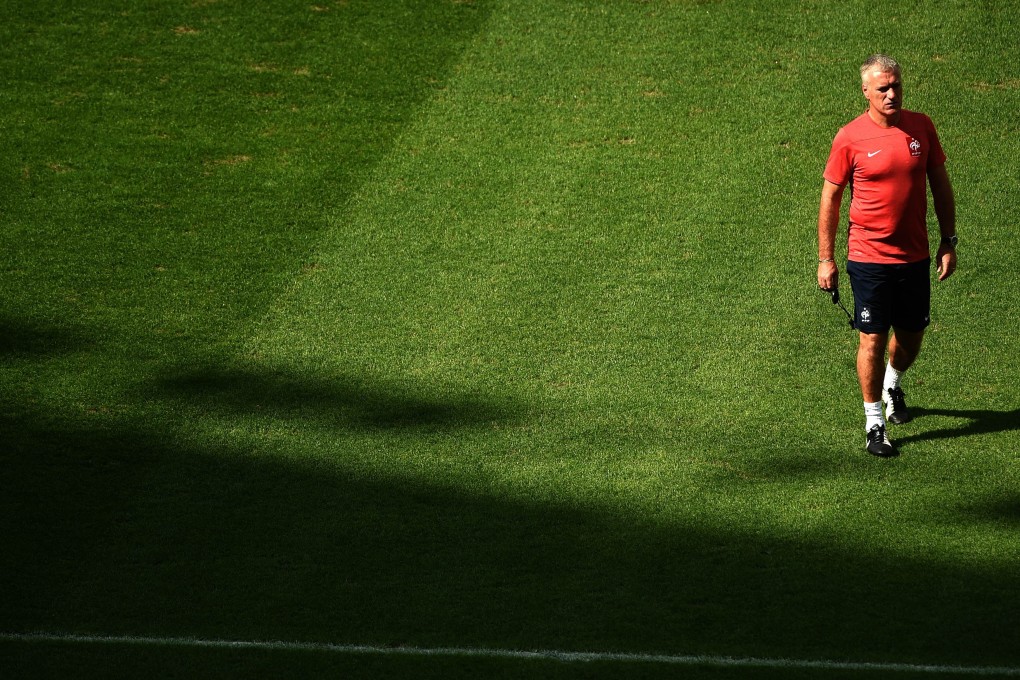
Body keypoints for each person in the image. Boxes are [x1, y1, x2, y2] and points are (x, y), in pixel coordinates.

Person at [817, 54, 957, 457]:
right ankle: (874, 424)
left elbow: (940, 185)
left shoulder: (921, 127)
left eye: (896, 86)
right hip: (868, 257)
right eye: (883, 89)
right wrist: (826, 259)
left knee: (911, 339)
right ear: (866, 92)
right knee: (872, 338)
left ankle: (891, 383)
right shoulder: (849, 137)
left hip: (914, 256)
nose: (892, 94)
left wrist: (948, 240)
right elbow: (831, 197)